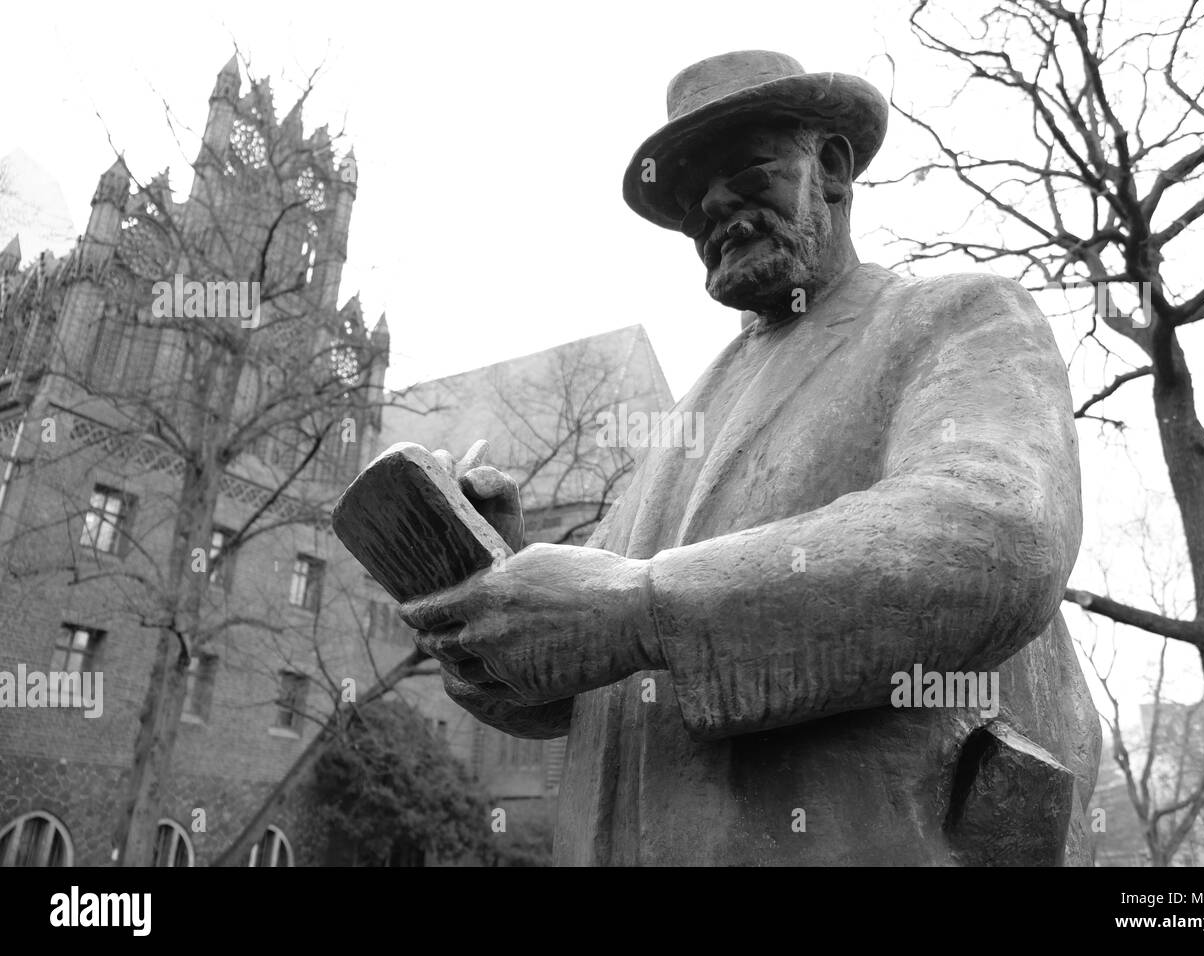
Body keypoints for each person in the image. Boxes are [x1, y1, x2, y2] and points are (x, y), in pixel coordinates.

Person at [401, 50, 1100, 865]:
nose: (715, 210)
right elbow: (588, 684)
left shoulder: (955, 319)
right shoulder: (684, 422)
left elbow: (994, 536)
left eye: (746, 173)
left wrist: (638, 609)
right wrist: (495, 603)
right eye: (695, 201)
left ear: (831, 167)